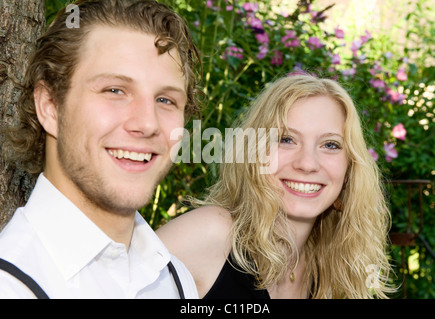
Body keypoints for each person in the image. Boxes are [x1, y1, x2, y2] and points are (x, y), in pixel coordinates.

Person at [0, 0, 201, 298]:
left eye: (165, 100)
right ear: (50, 107)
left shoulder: (175, 280)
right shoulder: (11, 285)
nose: (147, 124)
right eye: (115, 90)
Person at [157, 74, 395, 299]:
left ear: (349, 169)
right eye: (286, 139)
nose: (308, 164)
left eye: (330, 145)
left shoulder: (327, 268)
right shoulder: (209, 234)